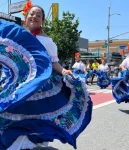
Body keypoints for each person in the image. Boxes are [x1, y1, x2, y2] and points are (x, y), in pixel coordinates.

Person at [0, 3, 92, 150]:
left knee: (36, 119)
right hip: (18, 85)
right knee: (10, 115)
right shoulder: (15, 36)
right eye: (32, 13)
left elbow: (54, 63)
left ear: (42, 21)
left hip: (39, 88)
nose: (35, 16)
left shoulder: (48, 41)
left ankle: (34, 145)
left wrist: (63, 71)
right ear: (25, 17)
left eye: (39, 15)